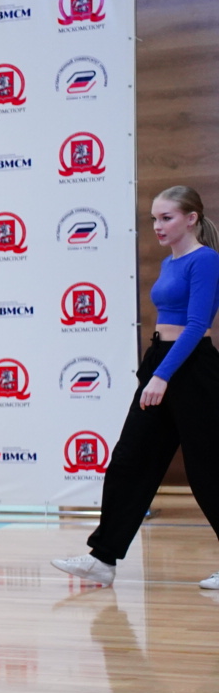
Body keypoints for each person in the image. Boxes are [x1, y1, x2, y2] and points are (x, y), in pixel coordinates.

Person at [54, 186, 219, 589]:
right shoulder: (169, 263)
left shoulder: (206, 260)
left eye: (166, 218)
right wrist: (155, 370)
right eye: (154, 219)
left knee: (208, 470)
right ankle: (102, 559)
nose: (158, 226)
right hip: (160, 360)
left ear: (191, 218)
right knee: (130, 460)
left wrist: (162, 375)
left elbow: (198, 326)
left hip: (192, 368)